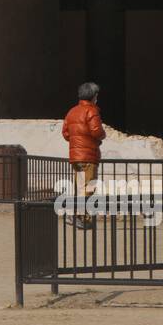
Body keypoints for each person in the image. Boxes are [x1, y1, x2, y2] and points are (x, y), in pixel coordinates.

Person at [62, 81, 106, 227]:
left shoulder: (72, 111)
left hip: (76, 157)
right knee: (89, 188)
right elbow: (97, 131)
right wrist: (102, 135)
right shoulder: (91, 111)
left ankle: (73, 215)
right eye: (97, 96)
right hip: (88, 156)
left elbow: (66, 133)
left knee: (80, 187)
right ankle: (82, 218)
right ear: (93, 96)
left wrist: (77, 141)